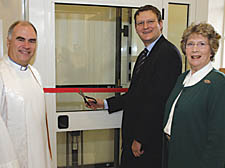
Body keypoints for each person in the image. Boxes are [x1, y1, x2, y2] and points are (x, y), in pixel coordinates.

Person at [87, 5, 182, 168]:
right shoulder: (144, 55)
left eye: (150, 22)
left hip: (147, 143)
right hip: (136, 138)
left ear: (161, 24)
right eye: (140, 23)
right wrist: (105, 103)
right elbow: (136, 95)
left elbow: (158, 102)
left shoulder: (167, 54)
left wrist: (140, 139)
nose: (145, 27)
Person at [163, 23, 225, 168]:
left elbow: (218, 137)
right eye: (190, 44)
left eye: (202, 44)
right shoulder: (182, 78)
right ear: (185, 49)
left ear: (212, 50)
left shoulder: (218, 83)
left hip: (197, 158)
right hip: (175, 153)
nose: (195, 49)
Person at [0, 21, 51, 168]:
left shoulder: (35, 74)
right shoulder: (1, 75)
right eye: (20, 39)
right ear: (8, 42)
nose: (26, 46)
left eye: (32, 41)